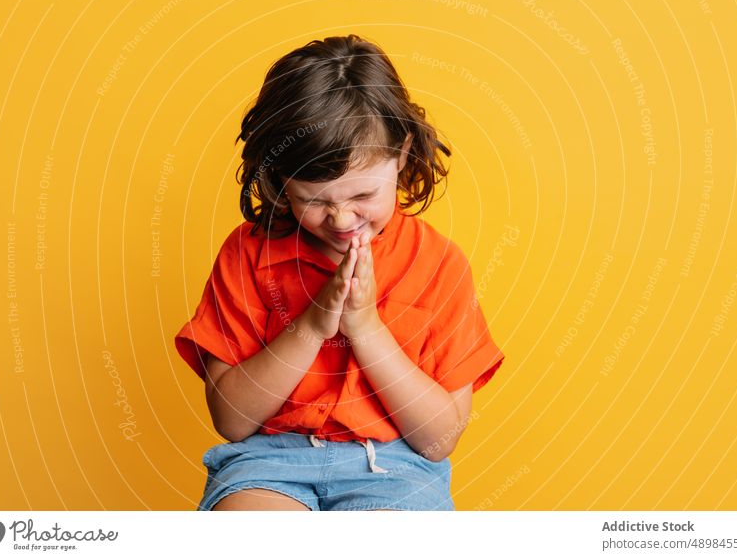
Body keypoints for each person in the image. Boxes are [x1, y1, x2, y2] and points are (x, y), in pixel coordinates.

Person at [175, 34, 505, 511]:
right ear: (278, 183)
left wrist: (364, 326)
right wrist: (311, 324)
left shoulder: (440, 265)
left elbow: (438, 440)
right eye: (314, 200)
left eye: (363, 197)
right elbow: (231, 420)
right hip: (269, 464)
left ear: (403, 155)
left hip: (397, 471)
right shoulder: (246, 255)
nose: (343, 220)